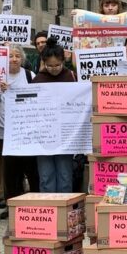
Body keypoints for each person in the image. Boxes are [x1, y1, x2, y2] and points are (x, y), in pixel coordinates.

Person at [0, 44, 39, 219]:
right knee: (10, 172)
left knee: (31, 168)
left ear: (22, 58)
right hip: (4, 131)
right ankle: (12, 205)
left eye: (17, 56)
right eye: (10, 56)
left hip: (25, 131)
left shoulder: (30, 76)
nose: (14, 59)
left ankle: (35, 203)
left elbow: (38, 98)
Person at [32, 37, 76, 193]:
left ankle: (65, 210)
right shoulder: (37, 80)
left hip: (65, 134)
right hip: (43, 135)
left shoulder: (71, 77)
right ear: (43, 62)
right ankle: (49, 208)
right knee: (46, 176)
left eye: (57, 65)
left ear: (63, 60)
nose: (54, 68)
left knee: (65, 175)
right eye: (50, 66)